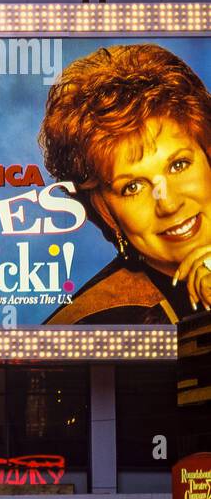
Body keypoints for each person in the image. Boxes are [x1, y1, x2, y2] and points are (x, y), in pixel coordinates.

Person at [39, 43, 211, 325]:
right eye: (132, 187)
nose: (168, 204)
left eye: (178, 165)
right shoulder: (90, 327)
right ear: (104, 209)